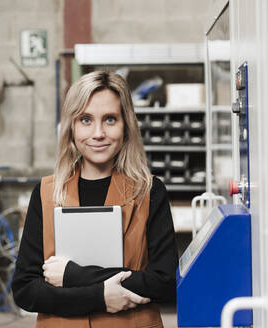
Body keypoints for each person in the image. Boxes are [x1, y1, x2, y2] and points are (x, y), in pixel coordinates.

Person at [12, 71, 178, 328]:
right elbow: (25, 290)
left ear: (126, 125)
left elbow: (164, 283)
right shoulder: (46, 193)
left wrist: (73, 275)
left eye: (110, 119)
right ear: (71, 127)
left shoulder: (149, 191)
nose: (98, 133)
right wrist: (99, 296)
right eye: (86, 120)